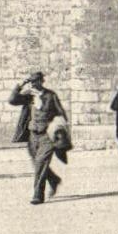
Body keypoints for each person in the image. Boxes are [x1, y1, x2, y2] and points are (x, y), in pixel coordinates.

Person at [9, 71, 71, 206]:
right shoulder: (29, 96)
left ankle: (38, 194)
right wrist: (20, 85)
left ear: (42, 81)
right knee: (38, 163)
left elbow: (61, 114)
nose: (33, 84)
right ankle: (53, 180)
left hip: (46, 136)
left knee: (40, 163)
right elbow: (12, 100)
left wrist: (59, 130)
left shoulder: (50, 96)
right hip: (32, 136)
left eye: (36, 81)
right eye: (31, 82)